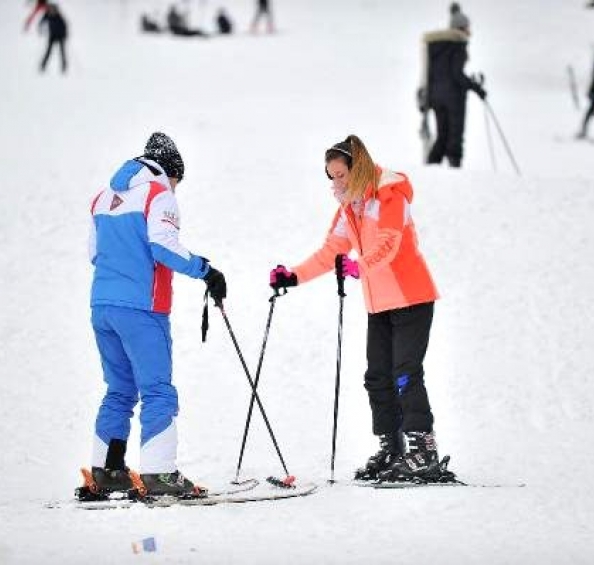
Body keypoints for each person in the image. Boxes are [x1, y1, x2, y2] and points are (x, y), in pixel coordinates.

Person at [269, 135, 443, 482]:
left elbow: (389, 245)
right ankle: (392, 448)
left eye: (341, 174)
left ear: (358, 166)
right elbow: (330, 252)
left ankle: (424, 451)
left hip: (412, 297)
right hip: (379, 305)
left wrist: (358, 267)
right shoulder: (350, 207)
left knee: (405, 373)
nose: (336, 182)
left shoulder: (389, 195)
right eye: (331, 176)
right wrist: (293, 276)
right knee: (377, 376)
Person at [86, 132, 227, 497]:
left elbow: (94, 254)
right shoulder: (158, 194)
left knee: (118, 390)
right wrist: (206, 271)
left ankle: (108, 470)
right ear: (171, 171)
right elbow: (163, 247)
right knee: (157, 391)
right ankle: (159, 475)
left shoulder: (102, 199)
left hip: (102, 305)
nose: (176, 189)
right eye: (177, 181)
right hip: (143, 310)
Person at [421, 3, 486, 168]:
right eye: (467, 27)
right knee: (455, 136)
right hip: (454, 99)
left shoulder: (436, 47)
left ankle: (429, 169)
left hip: (436, 98)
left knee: (442, 135)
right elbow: (457, 75)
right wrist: (476, 88)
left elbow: (431, 74)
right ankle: (455, 169)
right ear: (461, 28)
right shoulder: (458, 45)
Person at [38, 3, 68, 74]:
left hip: (60, 36)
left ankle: (64, 66)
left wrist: (64, 35)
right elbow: (42, 21)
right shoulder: (47, 15)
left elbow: (65, 27)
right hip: (52, 36)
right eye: (50, 10)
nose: (52, 11)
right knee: (48, 51)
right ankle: (43, 65)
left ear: (56, 10)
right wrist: (41, 27)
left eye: (53, 10)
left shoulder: (59, 17)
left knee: (62, 52)